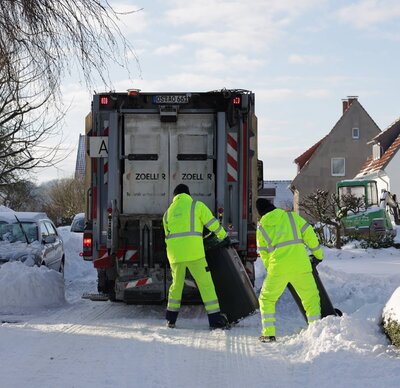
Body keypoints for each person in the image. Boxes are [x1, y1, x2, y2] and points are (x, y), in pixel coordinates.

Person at [163, 183, 230, 330]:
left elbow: (167, 236)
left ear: (175, 196)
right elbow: (212, 223)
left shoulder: (168, 213)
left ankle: (171, 319)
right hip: (195, 254)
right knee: (206, 284)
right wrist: (223, 236)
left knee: (176, 286)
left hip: (175, 256)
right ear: (188, 194)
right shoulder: (196, 206)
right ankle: (215, 320)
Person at [256, 198, 323, 343]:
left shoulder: (261, 227)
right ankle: (316, 330)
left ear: (260, 213)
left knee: (266, 298)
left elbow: (263, 253)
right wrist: (318, 255)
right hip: (300, 265)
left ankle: (269, 334)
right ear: (273, 206)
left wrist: (272, 269)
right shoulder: (291, 217)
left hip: (278, 267)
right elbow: (309, 234)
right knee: (310, 297)